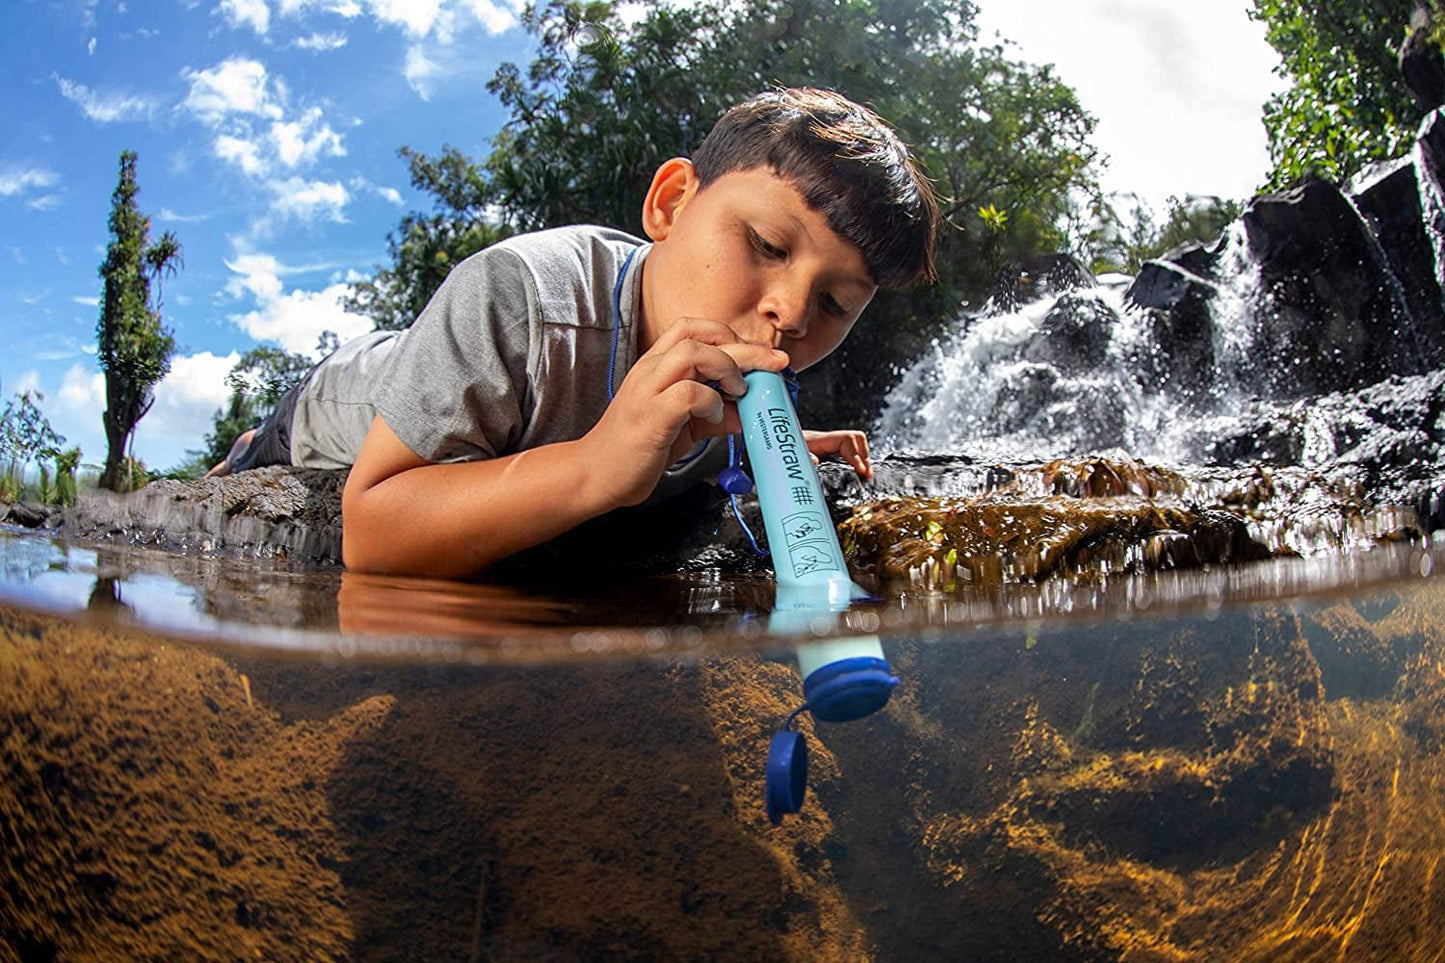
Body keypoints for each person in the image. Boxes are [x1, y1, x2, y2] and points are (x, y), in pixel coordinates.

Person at [209, 87, 940, 578]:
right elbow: (371, 533)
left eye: (837, 302)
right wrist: (593, 466)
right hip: (340, 406)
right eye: (766, 246)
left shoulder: (736, 361)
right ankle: (242, 447)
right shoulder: (520, 295)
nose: (790, 310)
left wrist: (769, 442)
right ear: (672, 203)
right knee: (250, 469)